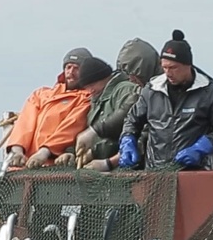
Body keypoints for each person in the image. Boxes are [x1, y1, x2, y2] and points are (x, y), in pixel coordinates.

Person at [118, 30, 213, 171]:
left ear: (188, 65)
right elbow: (132, 120)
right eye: (165, 67)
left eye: (173, 68)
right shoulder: (151, 90)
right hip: (155, 172)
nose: (168, 73)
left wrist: (201, 147)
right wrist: (127, 140)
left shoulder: (211, 93)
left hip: (195, 171)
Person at [58, 39, 162, 171]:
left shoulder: (126, 90)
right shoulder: (97, 99)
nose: (90, 90)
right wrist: (71, 151)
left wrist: (102, 156)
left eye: (91, 85)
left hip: (138, 167)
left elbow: (136, 126)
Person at [4, 48, 93, 169]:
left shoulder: (86, 98)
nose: (71, 72)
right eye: (68, 67)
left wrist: (43, 153)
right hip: (23, 164)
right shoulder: (41, 94)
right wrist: (17, 150)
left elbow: (70, 127)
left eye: (76, 68)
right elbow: (24, 123)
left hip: (53, 166)